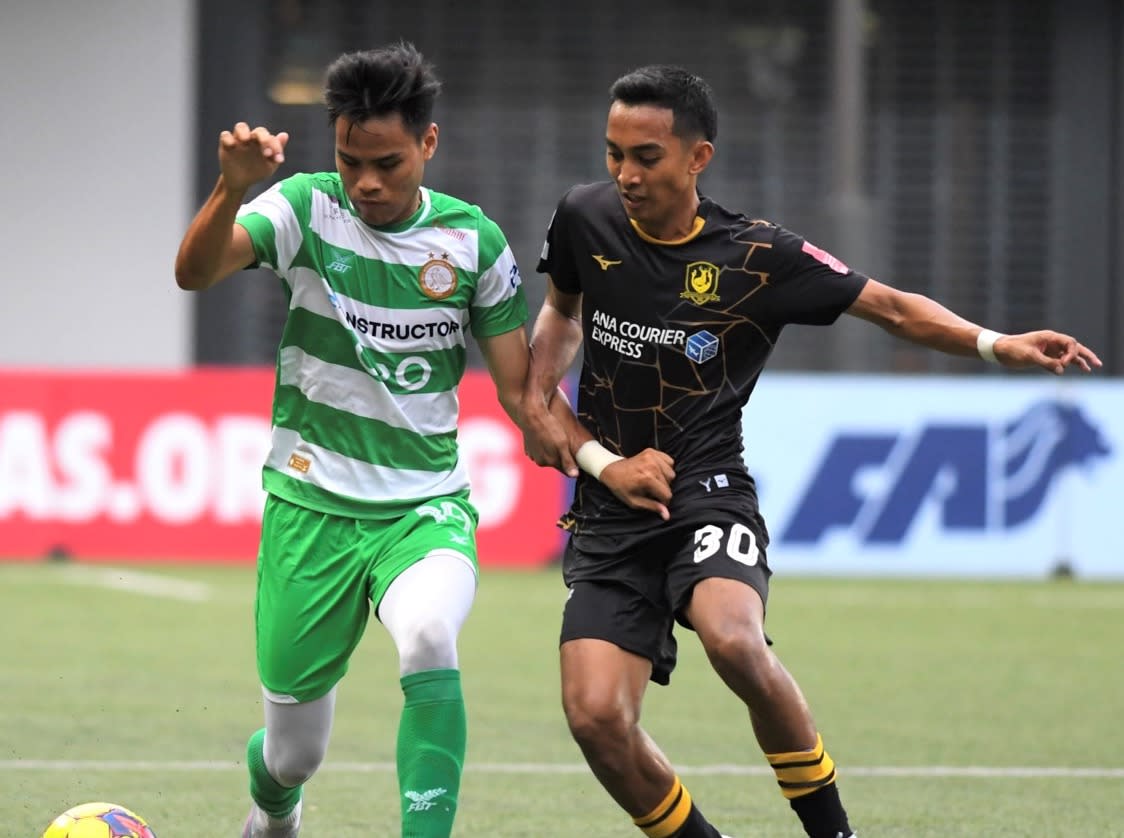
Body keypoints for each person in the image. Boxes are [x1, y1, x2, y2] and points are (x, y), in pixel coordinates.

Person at [520, 64, 1102, 838]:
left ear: (698, 158)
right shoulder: (582, 217)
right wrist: (540, 389)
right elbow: (562, 307)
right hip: (610, 509)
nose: (625, 174)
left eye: (646, 156)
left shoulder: (760, 255)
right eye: (613, 153)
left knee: (733, 639)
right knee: (595, 718)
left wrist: (998, 345)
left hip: (707, 487)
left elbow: (891, 308)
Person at [174, 42, 544, 838]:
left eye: (388, 162)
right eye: (350, 162)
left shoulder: (473, 245)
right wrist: (232, 189)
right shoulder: (304, 208)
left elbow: (522, 393)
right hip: (309, 508)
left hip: (423, 509)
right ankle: (276, 811)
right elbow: (195, 274)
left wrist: (596, 460)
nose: (368, 183)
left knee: (429, 634)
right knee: (291, 756)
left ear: (429, 144)